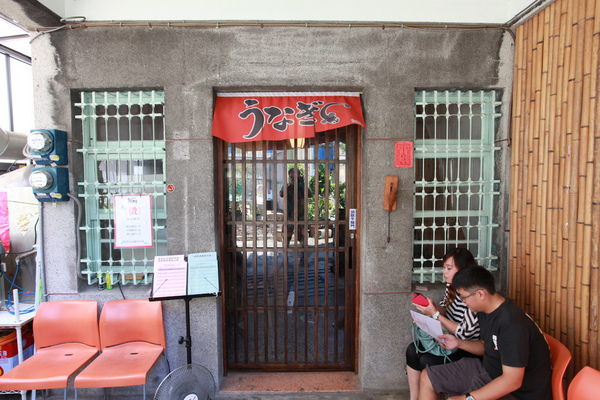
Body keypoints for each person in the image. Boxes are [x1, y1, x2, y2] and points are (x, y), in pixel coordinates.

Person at [419, 266, 552, 400]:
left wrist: (468, 399)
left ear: (481, 294)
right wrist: (459, 343)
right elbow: (486, 346)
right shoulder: (484, 311)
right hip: (489, 371)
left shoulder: (512, 325)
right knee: (428, 377)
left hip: (517, 393)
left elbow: (512, 381)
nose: (463, 302)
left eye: (464, 297)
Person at [406, 248, 480, 400]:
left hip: (466, 348)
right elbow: (446, 312)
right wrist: (433, 309)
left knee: (427, 361)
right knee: (412, 350)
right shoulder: (452, 287)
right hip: (449, 339)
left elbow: (464, 333)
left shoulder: (473, 293)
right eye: (444, 268)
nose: (445, 272)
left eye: (449, 268)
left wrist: (435, 315)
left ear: (464, 269)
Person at [279, 167, 310, 246]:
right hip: (290, 213)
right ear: (289, 177)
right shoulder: (286, 185)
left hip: (301, 213)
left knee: (302, 230)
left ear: (299, 176)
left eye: (296, 177)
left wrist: (302, 184)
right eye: (292, 177)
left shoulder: (302, 185)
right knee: (287, 230)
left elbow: (310, 194)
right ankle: (286, 243)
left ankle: (302, 243)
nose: (294, 179)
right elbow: (281, 194)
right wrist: (290, 186)